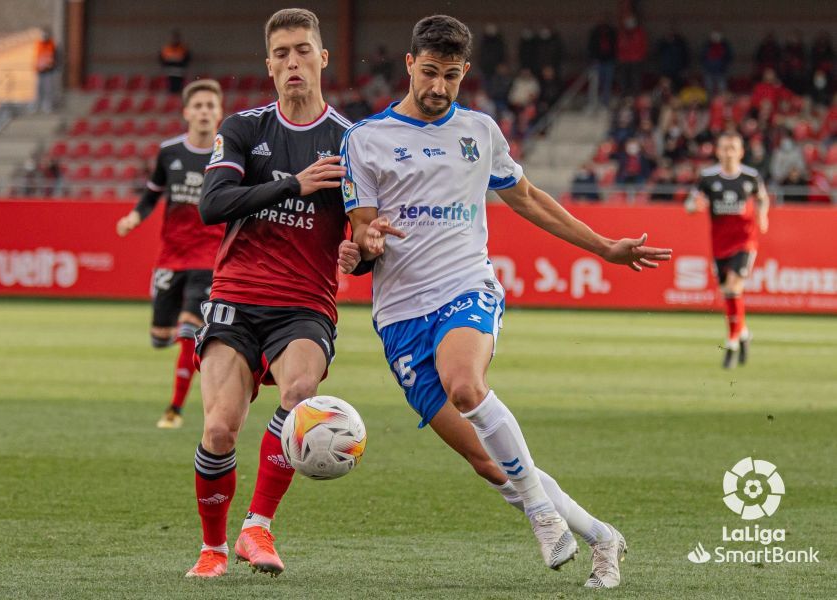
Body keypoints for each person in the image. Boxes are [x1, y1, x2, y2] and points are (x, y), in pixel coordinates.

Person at [341, 14, 671, 589]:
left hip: (465, 287)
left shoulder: (480, 132)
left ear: (464, 71)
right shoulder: (365, 139)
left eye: (450, 75)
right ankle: (602, 538)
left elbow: (528, 198)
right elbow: (363, 232)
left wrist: (603, 247)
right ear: (408, 67)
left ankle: (543, 517)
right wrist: (360, 248)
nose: (438, 87)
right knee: (488, 462)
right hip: (399, 317)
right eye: (428, 73)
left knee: (465, 384)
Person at [185, 8, 363, 579]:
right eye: (282, 53)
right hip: (235, 295)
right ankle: (212, 549)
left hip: (305, 304)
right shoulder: (243, 129)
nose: (293, 62)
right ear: (269, 64)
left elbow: (365, 236)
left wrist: (367, 248)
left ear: (322, 58)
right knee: (219, 429)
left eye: (303, 51)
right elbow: (212, 205)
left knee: (302, 391)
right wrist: (293, 184)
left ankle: (257, 526)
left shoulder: (354, 142)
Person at [116, 79, 226, 428]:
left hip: (209, 259)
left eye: (211, 106)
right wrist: (135, 216)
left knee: (188, 333)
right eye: (199, 106)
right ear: (187, 113)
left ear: (219, 112)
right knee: (159, 337)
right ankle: (176, 351)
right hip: (171, 257)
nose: (205, 112)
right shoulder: (169, 152)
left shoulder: (230, 153)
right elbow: (152, 194)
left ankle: (174, 409)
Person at [686, 133, 770, 369]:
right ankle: (743, 334)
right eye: (725, 148)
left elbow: (763, 199)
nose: (729, 152)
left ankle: (731, 343)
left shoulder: (751, 177)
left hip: (745, 242)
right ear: (718, 151)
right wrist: (694, 206)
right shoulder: (707, 177)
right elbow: (689, 203)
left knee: (734, 287)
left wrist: (763, 215)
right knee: (729, 293)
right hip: (719, 244)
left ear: (741, 152)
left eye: (733, 148)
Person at [160, 30, 192, 94]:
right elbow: (162, 59)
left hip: (180, 72)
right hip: (169, 72)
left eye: (176, 38)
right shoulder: (167, 48)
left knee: (179, 89)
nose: (175, 39)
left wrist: (178, 62)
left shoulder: (183, 48)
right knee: (170, 89)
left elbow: (187, 59)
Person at [35, 27, 58, 113]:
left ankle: (48, 106)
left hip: (49, 71)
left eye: (45, 34)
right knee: (38, 89)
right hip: (40, 71)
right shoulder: (39, 44)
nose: (43, 36)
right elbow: (37, 57)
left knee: (48, 89)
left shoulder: (52, 44)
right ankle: (38, 106)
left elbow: (55, 57)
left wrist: (54, 67)